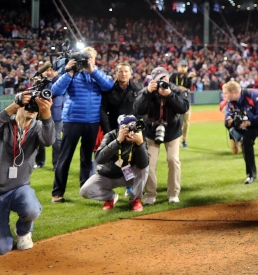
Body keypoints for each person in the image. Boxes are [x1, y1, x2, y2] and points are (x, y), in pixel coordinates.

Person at [0, 91, 55, 255]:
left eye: (34, 107)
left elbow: (49, 140)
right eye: (28, 105)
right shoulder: (3, 123)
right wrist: (14, 105)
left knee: (31, 208)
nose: (31, 108)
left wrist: (47, 114)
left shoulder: (37, 128)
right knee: (1, 249)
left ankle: (23, 232)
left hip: (18, 188)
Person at [50, 47, 114, 203]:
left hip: (92, 121)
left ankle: (86, 189)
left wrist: (93, 71)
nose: (87, 60)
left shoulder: (98, 74)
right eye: (84, 57)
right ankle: (57, 193)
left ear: (94, 59)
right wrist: (69, 72)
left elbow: (109, 86)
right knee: (65, 157)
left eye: (90, 57)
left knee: (87, 159)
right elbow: (56, 90)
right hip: (72, 120)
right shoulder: (72, 74)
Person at [134, 67, 189, 205]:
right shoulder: (147, 91)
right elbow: (137, 110)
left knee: (173, 160)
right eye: (159, 80)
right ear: (153, 80)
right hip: (151, 132)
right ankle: (150, 195)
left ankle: (173, 193)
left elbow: (184, 108)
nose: (162, 82)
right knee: (149, 164)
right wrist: (147, 93)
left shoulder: (175, 90)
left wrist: (169, 95)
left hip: (172, 131)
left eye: (164, 79)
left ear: (168, 78)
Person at [80, 114, 148, 212]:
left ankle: (135, 200)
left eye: (134, 125)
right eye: (127, 126)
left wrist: (140, 144)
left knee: (145, 167)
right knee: (85, 191)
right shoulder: (110, 136)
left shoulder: (139, 137)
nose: (131, 130)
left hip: (129, 176)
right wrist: (117, 141)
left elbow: (143, 164)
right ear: (120, 128)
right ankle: (110, 197)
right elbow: (99, 159)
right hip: (108, 175)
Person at [35, 62, 65, 170]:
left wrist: (43, 83)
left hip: (56, 114)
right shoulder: (44, 81)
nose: (48, 72)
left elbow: (52, 92)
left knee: (56, 140)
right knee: (39, 137)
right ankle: (39, 162)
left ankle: (57, 164)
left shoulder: (60, 79)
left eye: (50, 70)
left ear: (56, 70)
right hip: (42, 112)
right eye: (46, 70)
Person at [99, 62, 142, 136]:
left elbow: (141, 110)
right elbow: (103, 111)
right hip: (113, 129)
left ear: (130, 73)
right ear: (116, 73)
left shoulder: (138, 89)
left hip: (132, 130)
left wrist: (135, 125)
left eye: (126, 71)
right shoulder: (108, 90)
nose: (123, 74)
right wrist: (107, 131)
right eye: (120, 71)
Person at [169, 60, 195, 148]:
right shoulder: (173, 75)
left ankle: (184, 140)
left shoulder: (188, 76)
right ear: (178, 67)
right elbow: (169, 84)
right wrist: (178, 87)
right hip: (175, 102)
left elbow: (188, 87)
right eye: (182, 66)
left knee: (186, 123)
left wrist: (190, 78)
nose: (183, 68)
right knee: (175, 121)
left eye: (185, 66)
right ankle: (175, 139)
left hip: (185, 102)